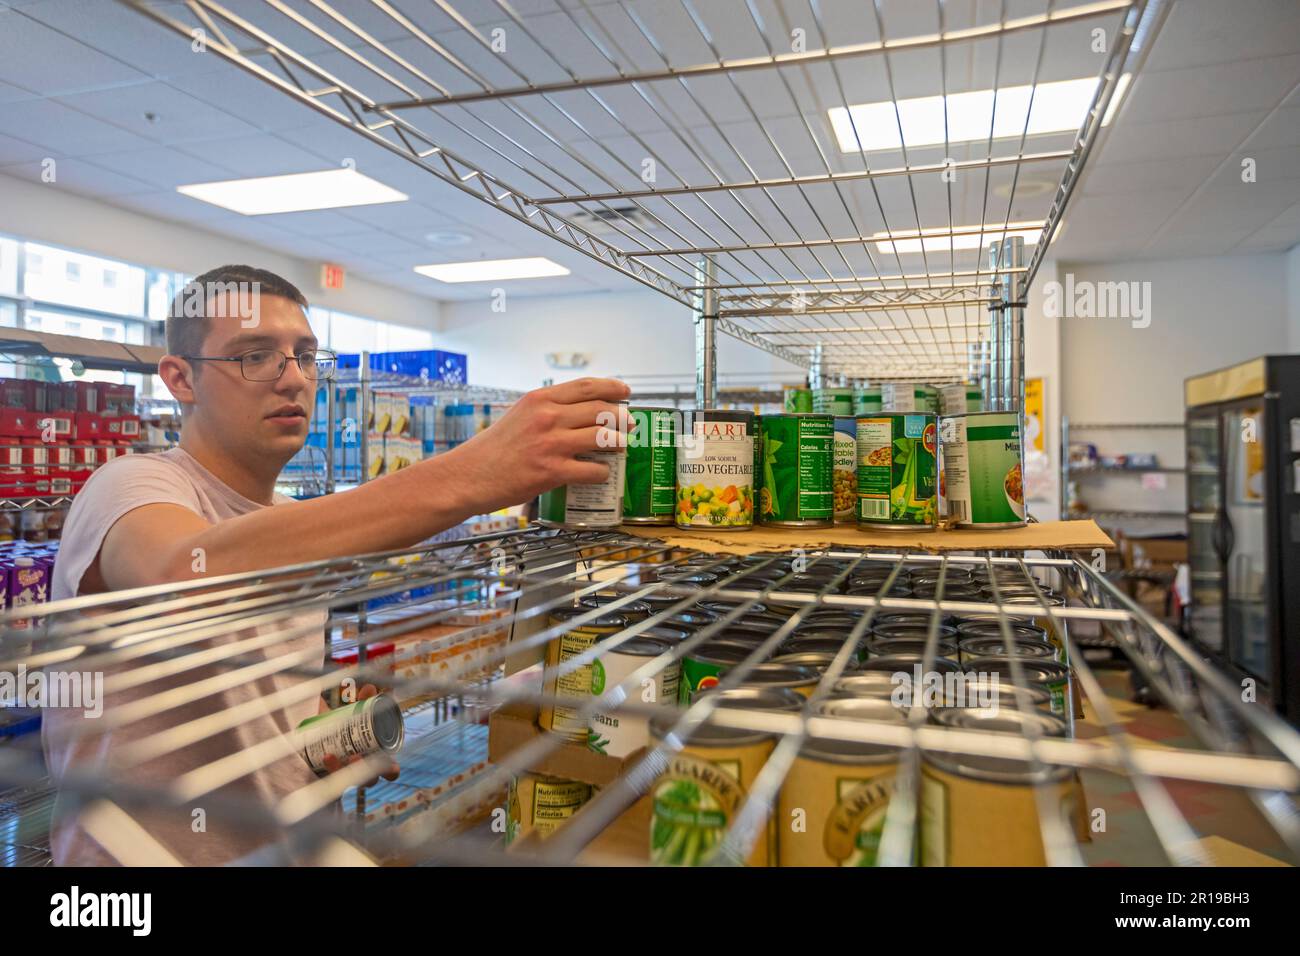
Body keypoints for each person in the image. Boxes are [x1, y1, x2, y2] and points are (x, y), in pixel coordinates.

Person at [41, 264, 629, 865]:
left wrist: (322, 727)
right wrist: (473, 473)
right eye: (254, 356)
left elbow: (257, 682)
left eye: (305, 357)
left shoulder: (293, 519)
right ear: (180, 379)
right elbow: (182, 573)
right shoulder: (130, 484)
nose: (291, 379)